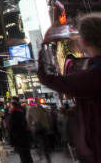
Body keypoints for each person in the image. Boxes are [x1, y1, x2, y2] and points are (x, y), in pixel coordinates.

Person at [38, 12, 101, 163]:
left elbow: (46, 77)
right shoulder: (90, 71)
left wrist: (44, 44)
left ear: (84, 41)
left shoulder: (91, 77)